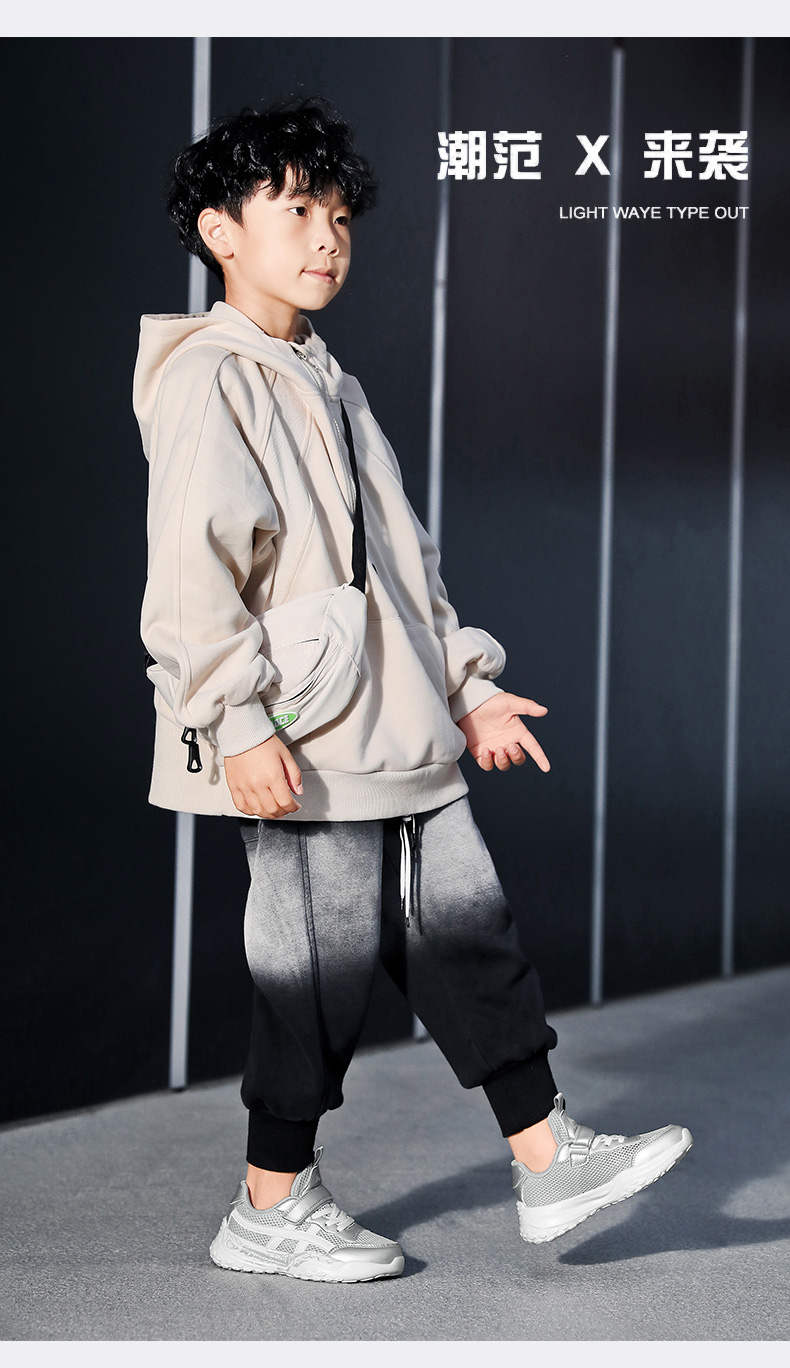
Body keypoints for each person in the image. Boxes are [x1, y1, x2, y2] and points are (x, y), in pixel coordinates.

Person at [133, 95, 692, 1283]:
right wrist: (236, 720)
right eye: (296, 210)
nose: (326, 236)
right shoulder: (211, 378)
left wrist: (467, 684)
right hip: (303, 733)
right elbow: (190, 575)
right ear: (220, 231)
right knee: (315, 968)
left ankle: (547, 1158)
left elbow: (399, 566)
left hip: (399, 724)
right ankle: (268, 1204)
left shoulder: (325, 379)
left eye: (339, 215)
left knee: (467, 933)